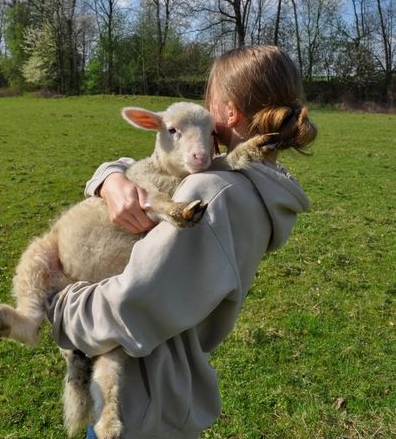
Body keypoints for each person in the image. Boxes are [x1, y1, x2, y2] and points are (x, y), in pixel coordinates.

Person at [46, 45, 317, 439]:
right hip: (169, 396)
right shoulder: (255, 184)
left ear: (227, 112)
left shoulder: (212, 193)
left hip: (141, 408)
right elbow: (154, 169)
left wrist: (58, 306)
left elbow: (128, 309)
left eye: (208, 101)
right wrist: (111, 179)